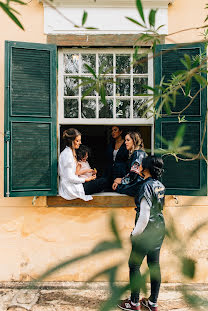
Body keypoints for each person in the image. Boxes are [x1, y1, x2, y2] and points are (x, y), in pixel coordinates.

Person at [117, 156, 165, 311]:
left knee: (134, 265)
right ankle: (152, 303)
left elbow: (144, 215)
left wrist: (134, 234)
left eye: (142, 166)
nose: (140, 168)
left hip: (146, 231)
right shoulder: (160, 185)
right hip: (159, 229)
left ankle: (134, 302)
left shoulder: (146, 187)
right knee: (154, 265)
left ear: (147, 169)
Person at [59, 128, 107, 201]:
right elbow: (70, 178)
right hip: (71, 188)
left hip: (77, 184)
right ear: (71, 141)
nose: (80, 143)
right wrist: (86, 179)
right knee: (103, 181)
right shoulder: (67, 155)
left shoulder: (70, 152)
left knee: (102, 180)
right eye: (77, 141)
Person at [112, 131, 146, 197]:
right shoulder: (136, 153)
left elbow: (134, 173)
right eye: (125, 140)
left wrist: (121, 180)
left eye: (128, 140)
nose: (125, 142)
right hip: (137, 184)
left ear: (134, 141)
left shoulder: (138, 154)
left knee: (118, 188)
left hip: (138, 185)